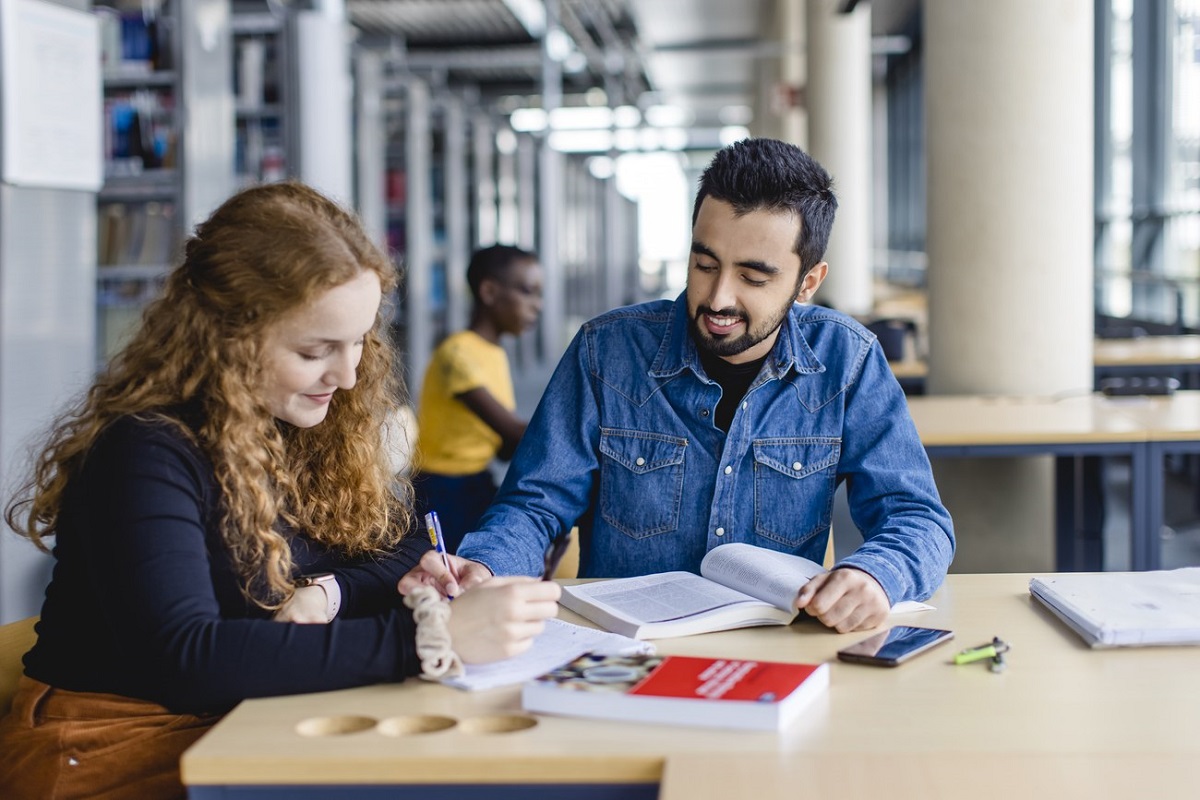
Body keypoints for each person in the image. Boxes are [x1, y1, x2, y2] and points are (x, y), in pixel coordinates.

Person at [0, 182, 559, 799]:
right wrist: (431, 638)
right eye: (315, 350)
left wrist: (329, 593)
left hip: (237, 722)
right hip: (111, 752)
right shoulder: (144, 452)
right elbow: (190, 659)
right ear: (228, 336)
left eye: (359, 343)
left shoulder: (298, 424)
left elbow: (399, 547)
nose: (347, 377)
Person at [401, 138, 954, 634]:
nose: (717, 298)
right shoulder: (605, 352)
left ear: (807, 282)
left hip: (774, 656)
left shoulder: (848, 361)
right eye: (704, 264)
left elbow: (917, 517)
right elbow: (535, 504)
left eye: (753, 278)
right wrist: (487, 564)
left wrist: (876, 575)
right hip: (623, 655)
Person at [412, 244, 543, 553]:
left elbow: (504, 445)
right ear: (489, 291)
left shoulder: (494, 353)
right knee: (453, 576)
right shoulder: (457, 354)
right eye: (528, 292)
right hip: (443, 489)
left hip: (476, 480)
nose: (537, 305)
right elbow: (510, 431)